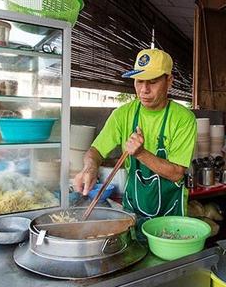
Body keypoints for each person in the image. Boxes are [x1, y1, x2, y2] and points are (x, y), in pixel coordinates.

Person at [73, 48, 197, 220]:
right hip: (133, 209)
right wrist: (90, 168)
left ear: (169, 81)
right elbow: (96, 151)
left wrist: (141, 153)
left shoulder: (183, 118)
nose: (144, 89)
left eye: (152, 82)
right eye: (139, 81)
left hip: (170, 215)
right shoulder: (123, 114)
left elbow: (176, 172)